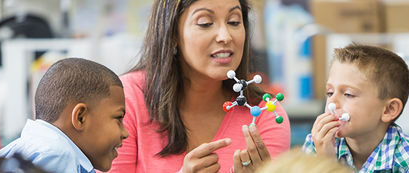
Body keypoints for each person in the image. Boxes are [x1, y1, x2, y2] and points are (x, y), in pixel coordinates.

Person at [108, 0, 291, 172]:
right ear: (172, 34)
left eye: (234, 22)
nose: (225, 36)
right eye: (205, 23)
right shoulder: (126, 98)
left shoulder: (266, 113)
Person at [0, 58, 128, 173]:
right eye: (118, 118)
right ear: (80, 117)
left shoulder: (36, 148)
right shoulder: (57, 155)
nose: (125, 133)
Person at [303, 44, 409, 173]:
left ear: (389, 109)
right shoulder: (318, 144)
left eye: (348, 94)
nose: (332, 103)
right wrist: (323, 161)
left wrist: (329, 168)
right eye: (330, 93)